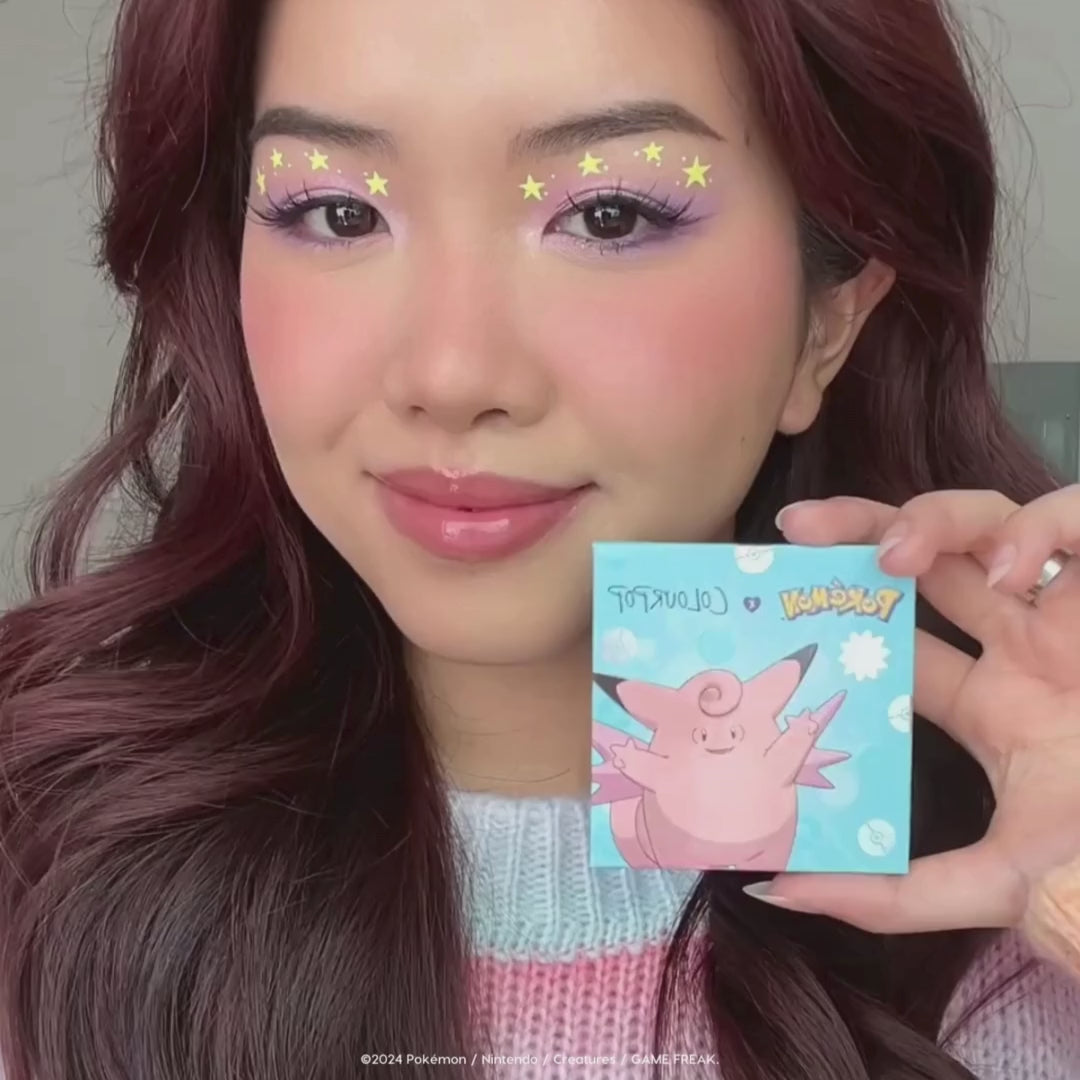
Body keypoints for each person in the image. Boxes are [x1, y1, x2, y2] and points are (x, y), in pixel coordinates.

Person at [1, 0, 1079, 1077]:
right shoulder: (36, 880)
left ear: (827, 322)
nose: (450, 375)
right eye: (336, 210)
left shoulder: (1028, 906)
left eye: (608, 215)